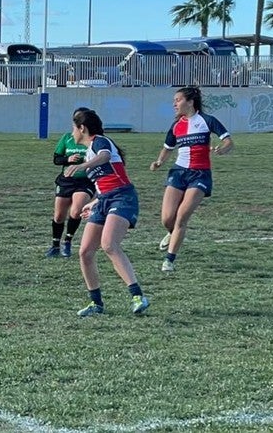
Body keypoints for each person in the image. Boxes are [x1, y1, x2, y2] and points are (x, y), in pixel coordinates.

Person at [62, 108, 149, 317]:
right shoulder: (90, 151)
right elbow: (103, 184)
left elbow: (105, 156)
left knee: (109, 244)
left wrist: (82, 166)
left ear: (82, 128)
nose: (72, 133)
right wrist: (93, 203)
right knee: (85, 252)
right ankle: (96, 303)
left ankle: (138, 296)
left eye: (73, 128)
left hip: (122, 197)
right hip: (104, 200)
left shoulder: (100, 142)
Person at [149, 86, 233, 272]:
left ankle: (169, 260)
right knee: (167, 219)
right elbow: (168, 148)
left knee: (181, 217)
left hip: (200, 174)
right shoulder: (176, 126)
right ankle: (173, 233)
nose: (174, 104)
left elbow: (228, 141)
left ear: (190, 102)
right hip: (178, 172)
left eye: (178, 100)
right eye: (174, 101)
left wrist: (222, 149)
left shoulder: (207, 120)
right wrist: (159, 162)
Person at [47, 107, 95, 258]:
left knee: (75, 211)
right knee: (59, 216)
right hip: (66, 180)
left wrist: (88, 162)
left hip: (85, 181)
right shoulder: (67, 138)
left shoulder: (94, 140)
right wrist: (68, 159)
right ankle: (55, 245)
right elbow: (56, 159)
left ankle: (67, 241)